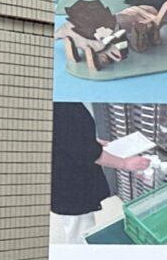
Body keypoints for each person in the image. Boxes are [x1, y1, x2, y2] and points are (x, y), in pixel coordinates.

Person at [49, 102, 152, 243]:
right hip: (69, 182)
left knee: (76, 223)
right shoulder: (62, 106)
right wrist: (124, 163)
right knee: (80, 230)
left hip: (63, 174)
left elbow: (63, 135)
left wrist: (91, 141)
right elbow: (84, 150)